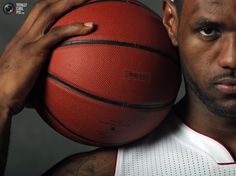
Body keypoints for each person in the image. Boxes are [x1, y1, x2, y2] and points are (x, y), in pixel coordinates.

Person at [0, 0, 236, 175]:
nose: (231, 59)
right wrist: (2, 102)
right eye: (208, 30)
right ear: (172, 22)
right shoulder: (106, 171)